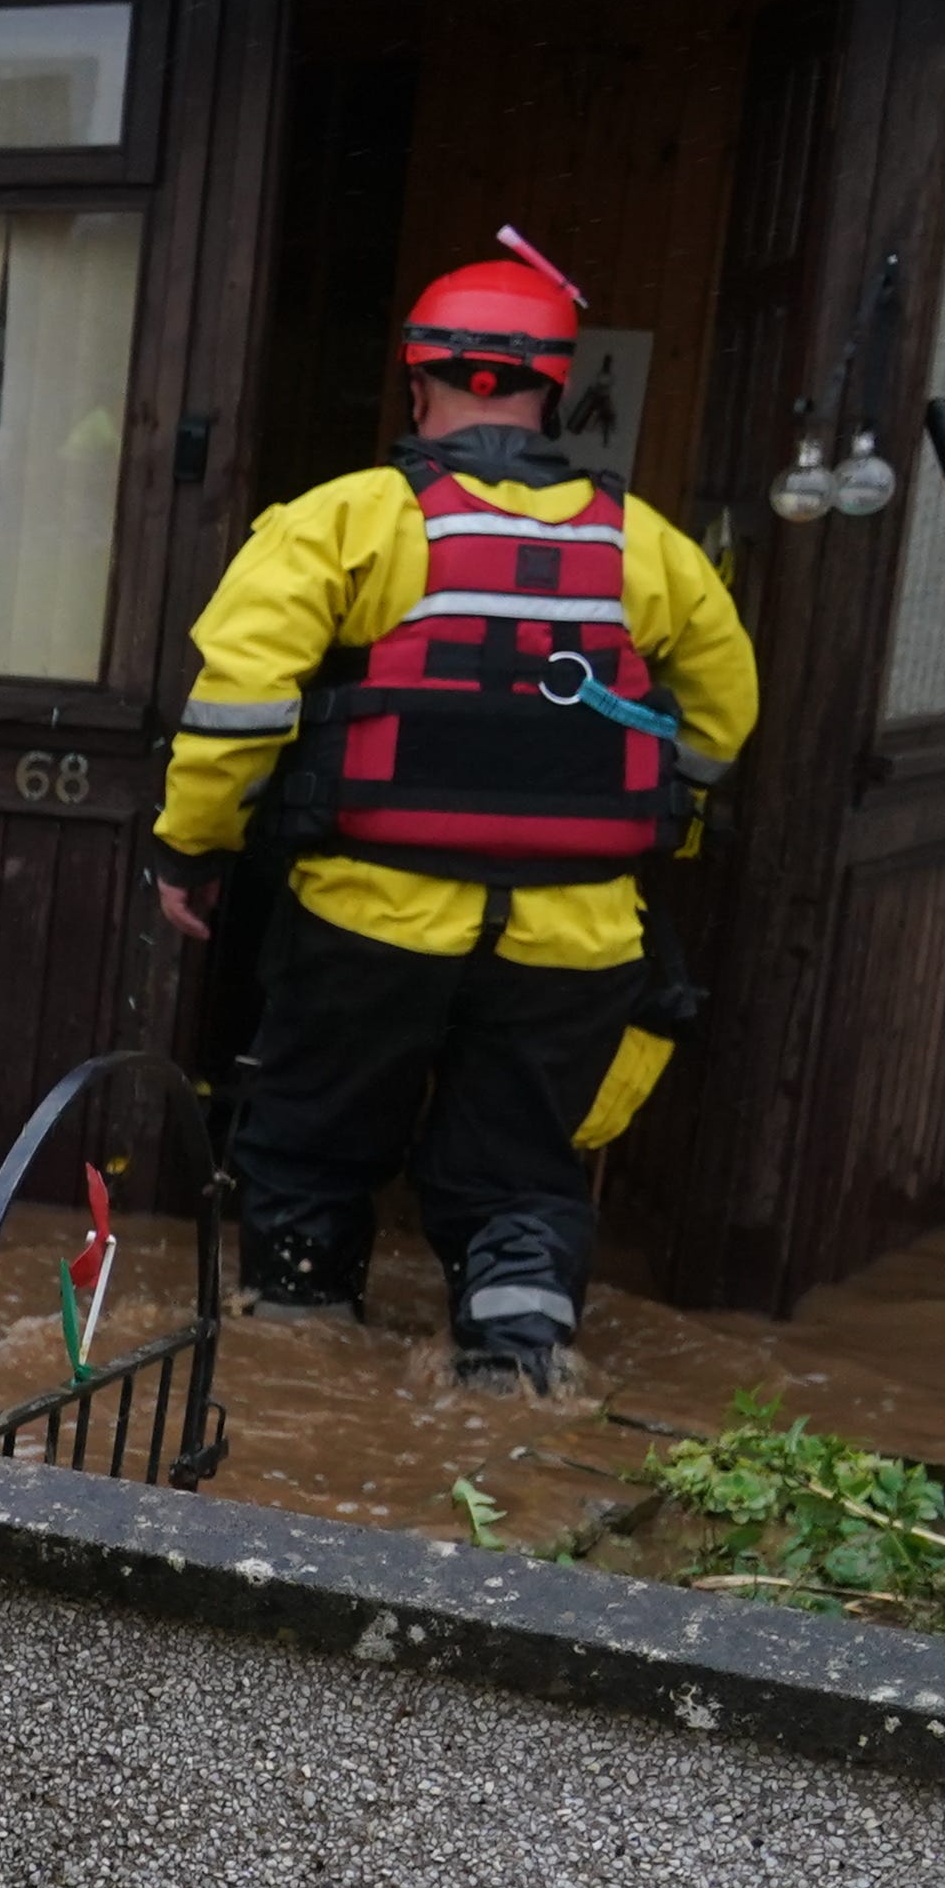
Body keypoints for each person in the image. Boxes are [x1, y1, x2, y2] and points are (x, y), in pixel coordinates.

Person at [148, 235, 760, 1388]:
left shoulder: (346, 519)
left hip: (366, 920)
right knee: (522, 1173)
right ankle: (516, 1381)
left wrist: (193, 848)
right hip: (578, 938)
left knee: (311, 1148)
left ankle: (299, 1364)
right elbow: (722, 723)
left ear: (417, 381)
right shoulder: (655, 550)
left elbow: (236, 707)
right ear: (555, 391)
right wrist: (650, 832)